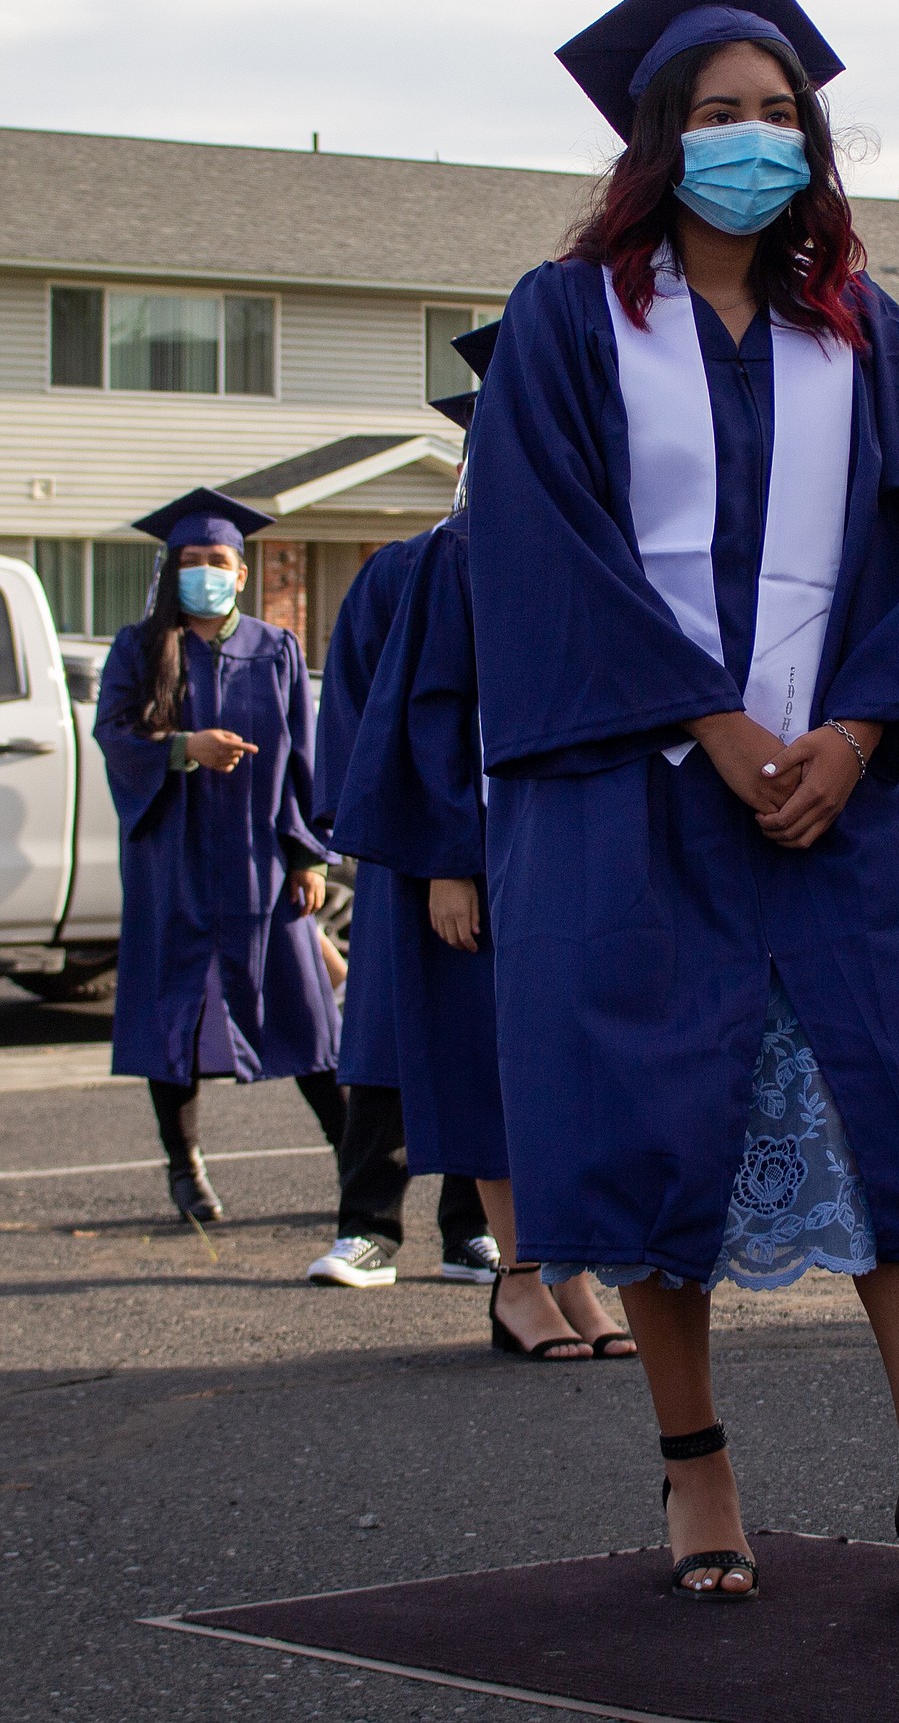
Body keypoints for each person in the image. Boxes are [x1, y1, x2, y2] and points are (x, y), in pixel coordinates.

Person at [467, 0, 899, 1618]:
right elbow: (547, 549)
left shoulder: (866, 336)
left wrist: (857, 731)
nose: (757, 135)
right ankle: (696, 1465)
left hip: (835, 803)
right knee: (657, 1125)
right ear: (661, 141)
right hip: (640, 800)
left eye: (781, 108)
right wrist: (716, 728)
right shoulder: (573, 322)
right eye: (721, 107)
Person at [332, 336, 635, 1360]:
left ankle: (572, 1277)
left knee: (570, 1073)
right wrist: (451, 862)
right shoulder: (460, 559)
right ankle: (519, 1283)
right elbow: (431, 717)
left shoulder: (592, 556)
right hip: (493, 855)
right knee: (500, 1074)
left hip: (575, 853)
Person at [95, 488, 344, 1223]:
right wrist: (182, 748)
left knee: (307, 1017)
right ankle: (185, 1167)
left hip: (259, 861)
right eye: (192, 560)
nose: (205, 570)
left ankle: (356, 1170)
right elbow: (113, 737)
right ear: (173, 569)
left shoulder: (276, 650)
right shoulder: (139, 650)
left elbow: (307, 757)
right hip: (170, 865)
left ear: (242, 572)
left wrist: (309, 857)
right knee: (172, 1013)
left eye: (219, 560)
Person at [307, 530, 496, 1289]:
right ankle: (367, 1226)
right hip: (410, 840)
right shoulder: (403, 568)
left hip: (511, 838)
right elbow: (360, 699)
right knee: (390, 1032)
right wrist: (400, 832)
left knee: (483, 1044)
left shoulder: (547, 554)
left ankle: (470, 1231)